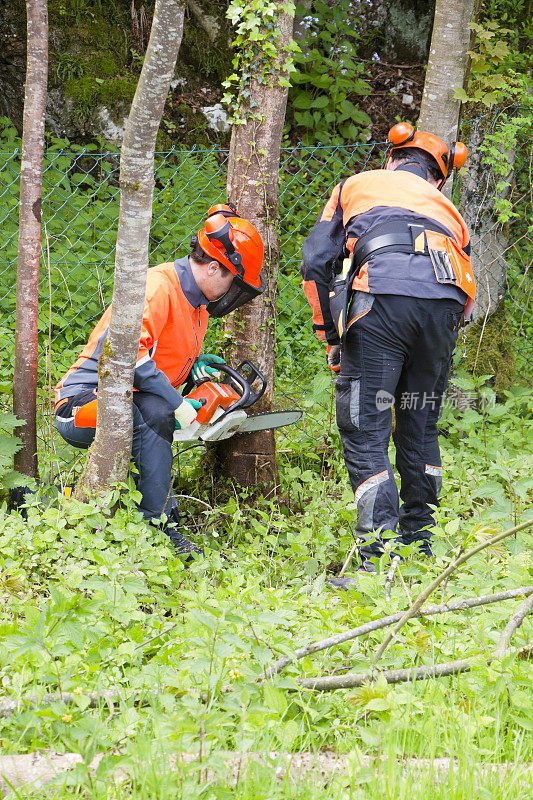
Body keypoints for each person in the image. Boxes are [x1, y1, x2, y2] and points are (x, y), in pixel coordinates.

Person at [301, 123, 476, 586]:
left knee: (365, 426)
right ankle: (420, 544)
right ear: (439, 178)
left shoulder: (354, 185)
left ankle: (377, 561)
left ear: (391, 159)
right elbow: (466, 283)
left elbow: (316, 261)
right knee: (419, 425)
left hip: (382, 297)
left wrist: (331, 336)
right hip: (445, 308)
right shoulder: (449, 210)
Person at [55, 204, 265, 557]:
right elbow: (129, 358)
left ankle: (75, 499)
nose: (233, 293)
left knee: (154, 409)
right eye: (233, 282)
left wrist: (193, 366)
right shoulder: (157, 287)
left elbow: (157, 358)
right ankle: (160, 529)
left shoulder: (197, 306)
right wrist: (177, 402)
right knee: (155, 411)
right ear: (214, 268)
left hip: (127, 402)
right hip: (79, 405)